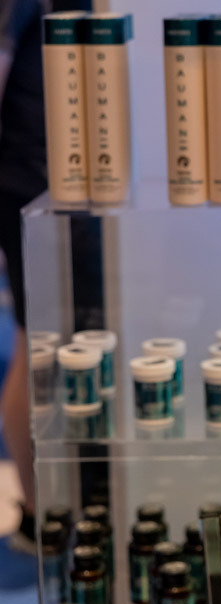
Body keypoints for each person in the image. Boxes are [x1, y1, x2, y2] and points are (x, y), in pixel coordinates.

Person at [0, 0, 49, 552]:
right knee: (32, 342)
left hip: (54, 184)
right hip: (29, 188)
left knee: (39, 343)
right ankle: (37, 511)